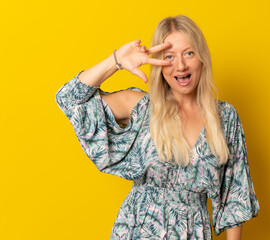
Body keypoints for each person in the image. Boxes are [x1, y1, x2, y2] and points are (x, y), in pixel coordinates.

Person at [55, 15, 259, 240]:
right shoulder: (142, 108)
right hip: (138, 229)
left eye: (189, 53)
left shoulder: (225, 118)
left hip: (193, 232)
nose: (180, 65)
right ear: (159, 64)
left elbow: (235, 196)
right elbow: (68, 99)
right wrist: (116, 61)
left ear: (202, 58)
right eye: (169, 56)